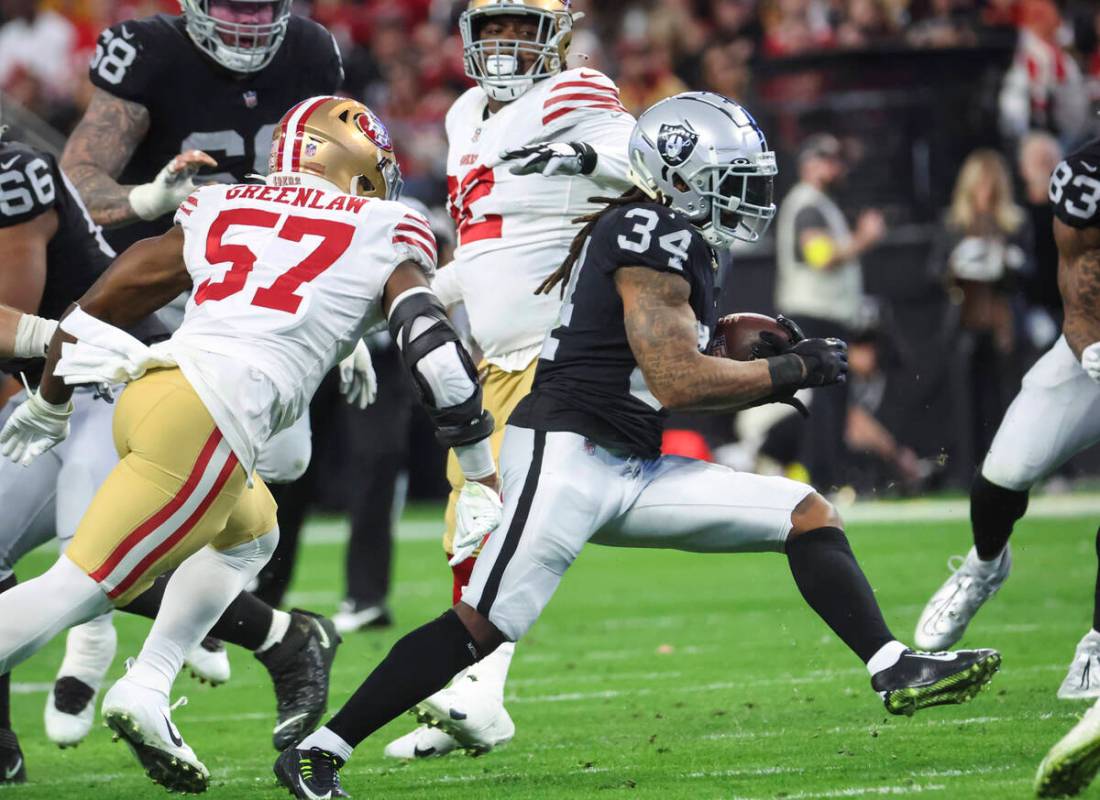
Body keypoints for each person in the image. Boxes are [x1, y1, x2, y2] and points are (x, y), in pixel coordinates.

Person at [275, 92, 1001, 800]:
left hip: (626, 461)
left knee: (806, 513)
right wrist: (792, 368)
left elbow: (674, 360)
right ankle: (318, 751)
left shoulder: (667, 235)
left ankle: (894, 667)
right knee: (480, 625)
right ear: (682, 173)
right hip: (563, 455)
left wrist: (745, 357)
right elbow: (677, 378)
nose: (747, 196)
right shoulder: (652, 231)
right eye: (733, 180)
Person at [0, 96, 501, 792]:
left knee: (252, 534)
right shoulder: (387, 222)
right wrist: (480, 472)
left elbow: (117, 289)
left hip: (154, 393)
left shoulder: (223, 203)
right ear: (358, 167)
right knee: (73, 592)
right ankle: (138, 683)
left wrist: (52, 396)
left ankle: (147, 684)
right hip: (213, 417)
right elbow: (437, 358)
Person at [41, 0, 345, 745]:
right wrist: (149, 199)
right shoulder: (149, 51)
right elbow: (77, 180)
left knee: (284, 460)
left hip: (266, 290)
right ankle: (98, 637)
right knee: (114, 481)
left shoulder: (311, 51)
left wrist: (350, 299)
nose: (246, 21)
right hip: (155, 287)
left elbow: (346, 183)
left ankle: (200, 614)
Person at [382, 0, 636, 759]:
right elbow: (488, 249)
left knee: (504, 523)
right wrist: (402, 309)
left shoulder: (576, 94)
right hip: (496, 355)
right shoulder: (464, 114)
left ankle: (479, 692)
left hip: (561, 345)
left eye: (519, 27)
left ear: (553, 35)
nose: (501, 42)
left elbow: (654, 160)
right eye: (490, 27)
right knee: (473, 525)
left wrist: (588, 162)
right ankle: (478, 696)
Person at [915, 136, 1100, 746]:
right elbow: (1082, 296)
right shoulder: (1086, 177)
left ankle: (1098, 639)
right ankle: (985, 566)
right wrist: (1093, 349)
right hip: (1092, 351)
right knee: (1001, 477)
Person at [774, 132, 885, 490]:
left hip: (823, 315)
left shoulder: (818, 203)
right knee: (824, 405)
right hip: (813, 314)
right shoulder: (808, 203)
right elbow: (819, 256)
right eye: (827, 159)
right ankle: (817, 479)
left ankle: (823, 478)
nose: (836, 167)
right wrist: (865, 238)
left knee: (831, 404)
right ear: (809, 164)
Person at [932, 149, 1030, 483]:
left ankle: (1007, 470)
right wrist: (957, 265)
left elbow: (1029, 272)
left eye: (992, 185)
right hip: (965, 322)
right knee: (965, 400)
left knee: (1005, 398)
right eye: (980, 184)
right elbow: (933, 272)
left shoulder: (1014, 223)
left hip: (1002, 322)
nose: (985, 192)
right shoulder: (953, 224)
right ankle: (966, 471)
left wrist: (1006, 259)